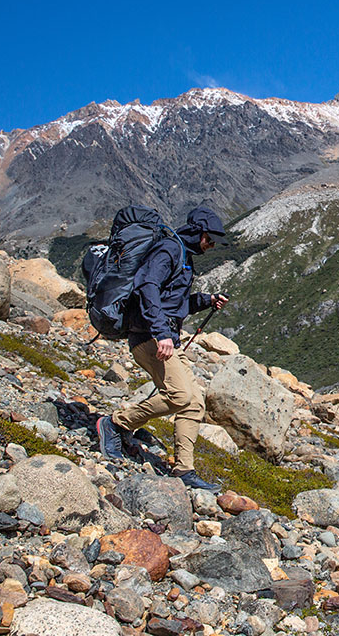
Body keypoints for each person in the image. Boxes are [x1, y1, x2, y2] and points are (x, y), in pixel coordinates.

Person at [96, 205, 228, 491]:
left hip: (166, 339)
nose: (212, 245)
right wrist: (160, 332)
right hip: (150, 338)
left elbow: (174, 304)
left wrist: (206, 300)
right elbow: (147, 287)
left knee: (194, 403)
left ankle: (184, 470)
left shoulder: (183, 256)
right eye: (209, 239)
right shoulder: (168, 250)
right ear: (196, 232)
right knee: (179, 395)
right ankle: (116, 424)